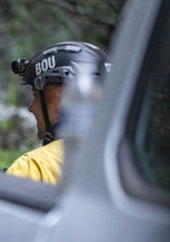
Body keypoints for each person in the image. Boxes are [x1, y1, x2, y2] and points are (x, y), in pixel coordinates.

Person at [6, 41, 108, 184]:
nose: (31, 108)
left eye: (35, 96)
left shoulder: (33, 166)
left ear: (58, 99)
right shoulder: (119, 161)